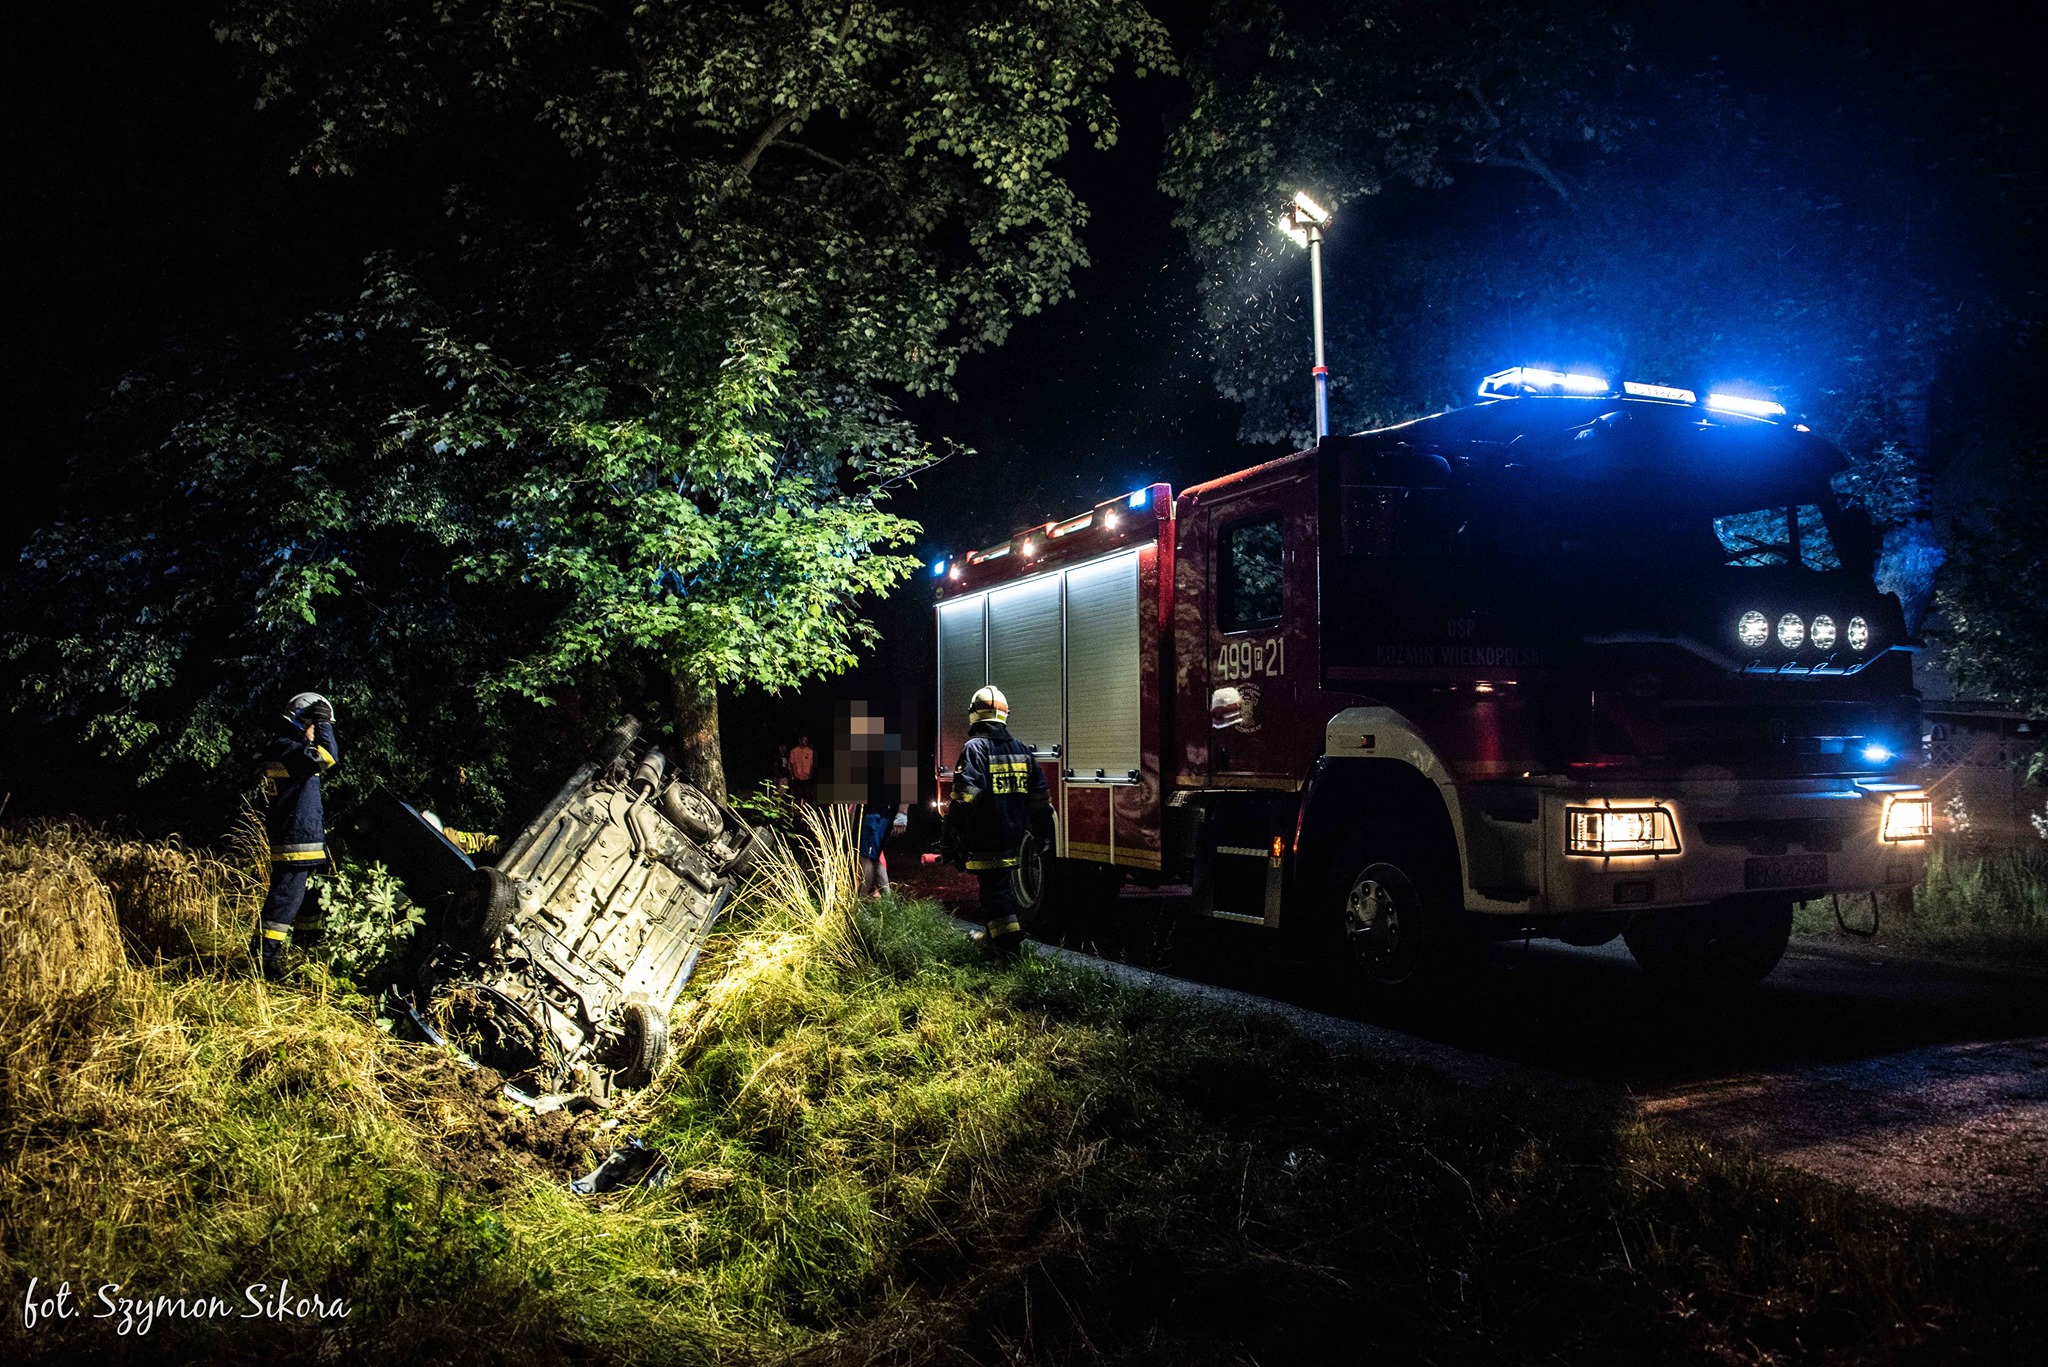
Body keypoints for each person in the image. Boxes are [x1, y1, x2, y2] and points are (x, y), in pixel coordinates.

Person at [941, 685, 1049, 957]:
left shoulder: (975, 748)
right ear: (1004, 715)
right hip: (1015, 837)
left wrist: (951, 833)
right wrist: (1042, 833)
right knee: (1000, 889)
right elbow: (1039, 796)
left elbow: (965, 796)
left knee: (994, 895)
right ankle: (993, 939)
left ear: (974, 714)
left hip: (985, 836)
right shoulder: (1022, 750)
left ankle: (1006, 949)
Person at [255, 691, 340, 979]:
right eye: (316, 724)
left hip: (303, 842)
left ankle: (306, 954)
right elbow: (328, 757)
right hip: (295, 843)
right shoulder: (288, 748)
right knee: (283, 906)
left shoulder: (290, 748)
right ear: (304, 720)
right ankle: (263, 963)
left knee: (310, 903)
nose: (318, 731)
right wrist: (324, 723)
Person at [788, 734, 816, 803]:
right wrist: (793, 775)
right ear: (800, 741)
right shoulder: (794, 751)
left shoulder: (810, 751)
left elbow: (812, 764)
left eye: (806, 740)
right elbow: (791, 764)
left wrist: (810, 773)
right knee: (797, 795)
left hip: (807, 777)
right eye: (804, 740)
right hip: (797, 777)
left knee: (807, 795)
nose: (805, 742)